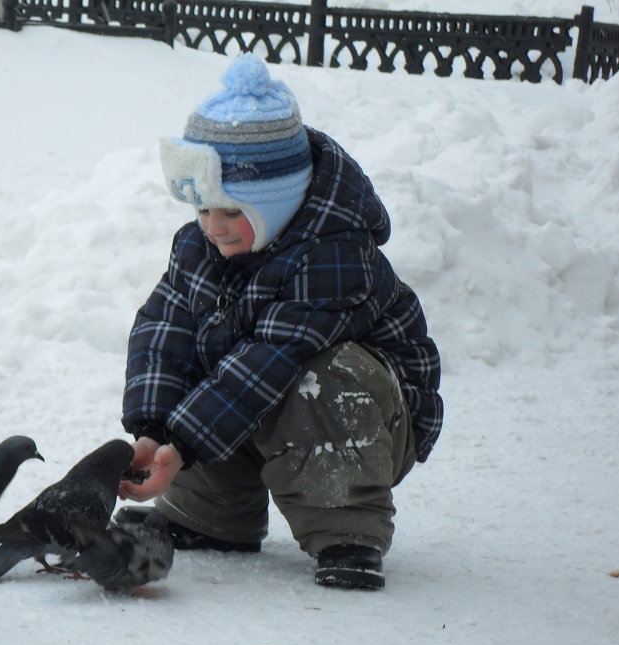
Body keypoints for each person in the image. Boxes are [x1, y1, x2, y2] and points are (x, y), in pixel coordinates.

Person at [119, 54, 443, 590]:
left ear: (277, 200)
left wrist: (189, 439)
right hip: (266, 396)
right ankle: (215, 515)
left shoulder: (335, 253)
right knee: (207, 356)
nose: (213, 228)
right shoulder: (200, 248)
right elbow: (163, 330)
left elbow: (274, 355)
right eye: (203, 210)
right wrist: (157, 431)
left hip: (369, 421)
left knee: (313, 371)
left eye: (231, 212)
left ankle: (346, 527)